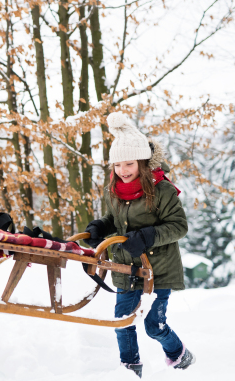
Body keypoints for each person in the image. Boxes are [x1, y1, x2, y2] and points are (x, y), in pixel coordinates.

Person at [82, 112, 195, 378]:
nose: (123, 170)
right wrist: (100, 226)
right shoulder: (113, 190)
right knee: (122, 322)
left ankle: (180, 355)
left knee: (154, 325)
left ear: (142, 162)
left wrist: (147, 236)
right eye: (117, 165)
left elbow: (179, 226)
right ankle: (130, 370)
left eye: (129, 163)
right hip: (125, 268)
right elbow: (115, 220)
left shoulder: (162, 190)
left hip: (157, 269)